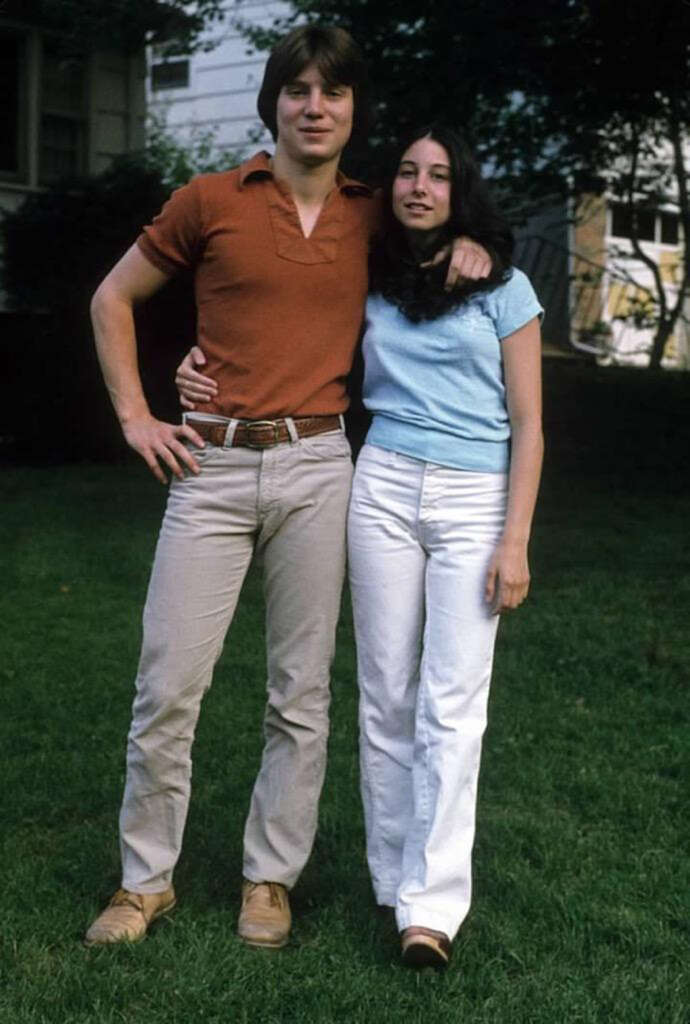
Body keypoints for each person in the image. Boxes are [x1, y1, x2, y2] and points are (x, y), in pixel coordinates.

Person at [85, 25, 490, 951]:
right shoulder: (211, 199)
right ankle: (145, 882)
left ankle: (271, 878)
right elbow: (112, 299)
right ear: (274, 101)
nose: (315, 106)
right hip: (211, 468)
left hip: (319, 465)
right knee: (168, 686)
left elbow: (443, 223)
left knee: (300, 694)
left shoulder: (374, 214)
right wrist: (140, 414)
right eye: (299, 90)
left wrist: (468, 238)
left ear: (353, 112)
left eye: (333, 93)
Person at [177, 125, 542, 969]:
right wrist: (192, 366)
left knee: (453, 704)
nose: (419, 186)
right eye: (408, 172)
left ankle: (433, 906)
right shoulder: (372, 274)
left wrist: (514, 540)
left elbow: (530, 426)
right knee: (383, 693)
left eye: (440, 175)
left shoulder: (504, 286)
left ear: (463, 189)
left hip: (472, 499)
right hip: (379, 485)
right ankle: (392, 881)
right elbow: (275, 321)